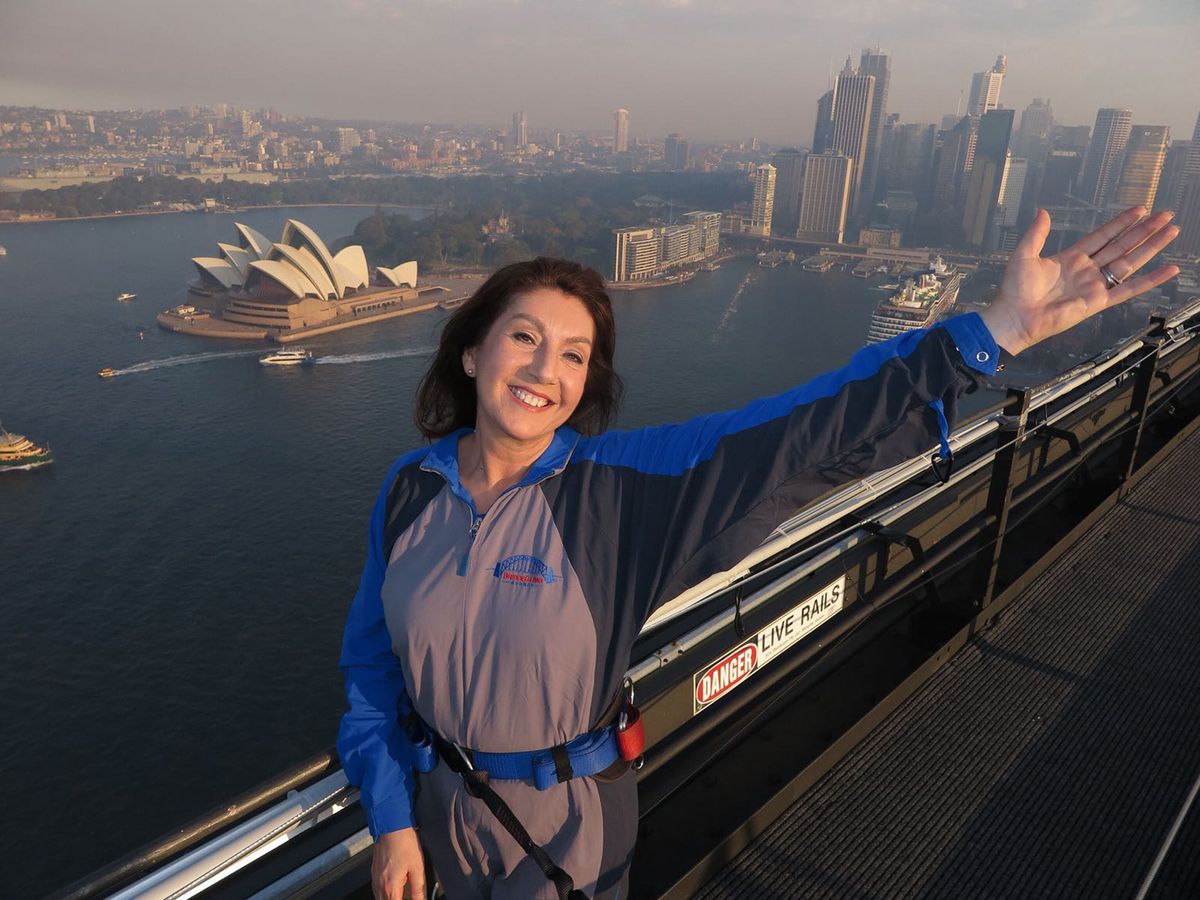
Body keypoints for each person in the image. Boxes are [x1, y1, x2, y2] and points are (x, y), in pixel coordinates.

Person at [338, 207, 1179, 900]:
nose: (542, 370)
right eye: (523, 338)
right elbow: (373, 675)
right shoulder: (409, 490)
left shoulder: (616, 493)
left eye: (573, 355)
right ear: (473, 351)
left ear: (584, 388)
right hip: (437, 816)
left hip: (564, 836)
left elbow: (793, 435)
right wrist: (393, 819)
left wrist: (991, 335)